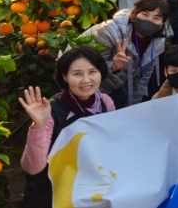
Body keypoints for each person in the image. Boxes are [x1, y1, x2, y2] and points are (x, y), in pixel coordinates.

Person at [20, 46, 114, 208]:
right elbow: (33, 168)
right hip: (55, 191)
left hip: (93, 185)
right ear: (65, 76)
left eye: (92, 72)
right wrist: (39, 126)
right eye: (77, 74)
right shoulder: (50, 112)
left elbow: (110, 145)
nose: (86, 80)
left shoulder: (105, 102)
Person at [79, 0, 169, 108]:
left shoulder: (157, 43)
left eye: (156, 18)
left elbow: (141, 79)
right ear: (134, 14)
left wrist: (131, 111)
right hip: (80, 79)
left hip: (113, 82)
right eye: (145, 14)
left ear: (162, 24)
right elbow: (90, 68)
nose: (149, 20)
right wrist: (114, 67)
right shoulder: (109, 31)